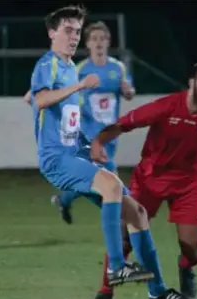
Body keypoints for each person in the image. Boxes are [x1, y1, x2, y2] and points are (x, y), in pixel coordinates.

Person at [30, 6, 195, 299]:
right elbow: (40, 99)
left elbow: (67, 117)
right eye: (68, 30)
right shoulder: (49, 64)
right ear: (52, 33)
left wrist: (89, 144)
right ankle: (116, 267)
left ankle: (157, 293)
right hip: (56, 158)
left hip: (76, 152)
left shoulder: (68, 68)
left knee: (138, 213)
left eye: (77, 31)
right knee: (113, 187)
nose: (73, 36)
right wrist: (78, 86)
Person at [91, 61, 197, 299]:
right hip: (150, 179)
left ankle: (186, 267)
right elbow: (124, 123)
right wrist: (99, 142)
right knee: (124, 236)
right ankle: (104, 292)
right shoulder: (167, 107)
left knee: (191, 249)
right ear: (192, 83)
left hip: (189, 183)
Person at [51, 21, 136, 224]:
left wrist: (128, 91)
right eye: (94, 39)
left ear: (108, 42)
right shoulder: (80, 70)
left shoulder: (118, 67)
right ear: (87, 44)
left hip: (111, 133)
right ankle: (128, 220)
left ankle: (65, 199)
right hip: (91, 134)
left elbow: (130, 92)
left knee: (90, 179)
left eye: (102, 38)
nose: (99, 42)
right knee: (112, 180)